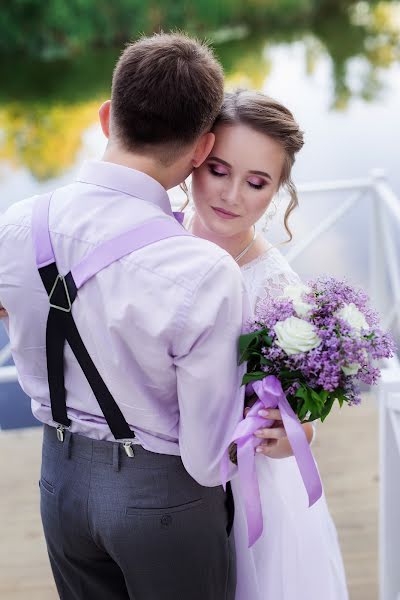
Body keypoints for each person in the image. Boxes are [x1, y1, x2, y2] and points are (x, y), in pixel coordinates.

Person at [0, 35, 282, 600]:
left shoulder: (17, 223)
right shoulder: (201, 268)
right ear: (202, 149)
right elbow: (205, 459)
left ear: (107, 117)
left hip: (59, 483)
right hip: (164, 502)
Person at [182, 89, 349, 600]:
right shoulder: (156, 232)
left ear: (278, 191)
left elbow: (300, 399)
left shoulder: (278, 288)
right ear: (194, 157)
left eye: (256, 183)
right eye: (217, 170)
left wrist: (297, 432)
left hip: (244, 489)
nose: (231, 195)